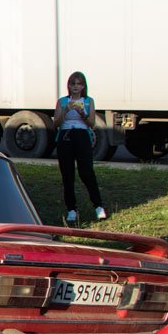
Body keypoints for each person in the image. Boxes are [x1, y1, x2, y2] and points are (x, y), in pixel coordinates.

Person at [52, 70, 107, 224]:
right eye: (72, 83)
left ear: (83, 86)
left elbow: (92, 123)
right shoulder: (63, 101)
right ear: (68, 86)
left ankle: (98, 206)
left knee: (87, 172)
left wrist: (82, 112)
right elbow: (55, 123)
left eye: (78, 84)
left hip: (82, 136)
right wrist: (66, 110)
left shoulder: (89, 101)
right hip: (65, 136)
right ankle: (71, 209)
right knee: (67, 174)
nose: (75, 86)